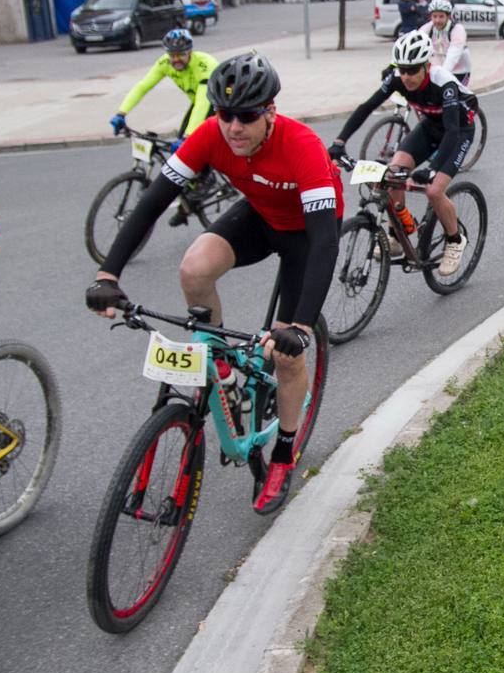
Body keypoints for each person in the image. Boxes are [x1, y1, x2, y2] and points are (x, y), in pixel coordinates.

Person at [85, 53, 342, 516]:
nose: (233, 127)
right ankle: (220, 365)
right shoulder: (211, 135)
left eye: (246, 115)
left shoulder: (302, 147)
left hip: (306, 235)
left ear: (270, 112)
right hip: (262, 218)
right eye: (224, 114)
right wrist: (108, 274)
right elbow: (151, 204)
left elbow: (325, 243)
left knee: (285, 356)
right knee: (194, 268)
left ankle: (283, 453)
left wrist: (301, 326)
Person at [333, 32, 477, 271]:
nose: (407, 76)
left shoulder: (444, 83)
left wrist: (431, 169)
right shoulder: (397, 79)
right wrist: (340, 141)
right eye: (403, 70)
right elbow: (366, 107)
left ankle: (455, 239)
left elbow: (452, 132)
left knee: (433, 190)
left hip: (459, 130)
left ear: (427, 66)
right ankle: (397, 235)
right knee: (391, 177)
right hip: (430, 127)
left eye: (413, 70)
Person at [110, 28, 221, 227]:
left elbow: (204, 105)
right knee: (181, 151)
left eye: (181, 55)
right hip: (197, 102)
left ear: (190, 52)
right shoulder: (165, 63)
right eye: (172, 55)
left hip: (216, 102)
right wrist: (121, 113)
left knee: (194, 142)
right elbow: (143, 86)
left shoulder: (204, 65)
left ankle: (207, 179)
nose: (176, 59)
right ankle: (188, 204)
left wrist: (188, 136)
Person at [421, 0, 471, 85]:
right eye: (434, 16)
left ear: (448, 17)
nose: (437, 20)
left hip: (460, 70)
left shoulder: (457, 29)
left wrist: (442, 74)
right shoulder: (429, 28)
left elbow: (453, 54)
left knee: (455, 95)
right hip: (439, 68)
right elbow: (416, 41)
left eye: (441, 16)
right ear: (430, 17)